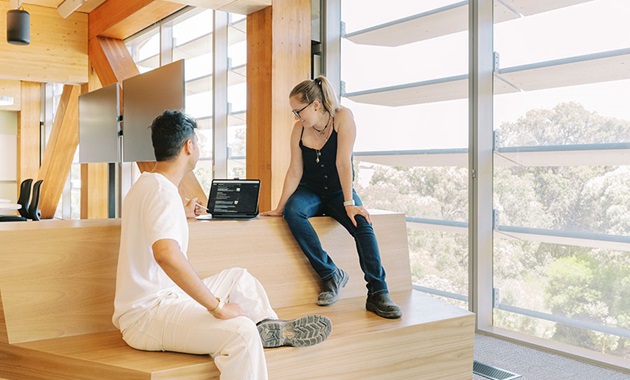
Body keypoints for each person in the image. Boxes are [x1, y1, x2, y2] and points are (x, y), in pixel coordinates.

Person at [112, 110, 332, 380]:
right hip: (148, 316)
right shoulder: (162, 193)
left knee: (238, 278)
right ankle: (254, 332)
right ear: (188, 146)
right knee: (241, 333)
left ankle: (267, 327)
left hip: (160, 300)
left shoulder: (147, 184)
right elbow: (166, 255)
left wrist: (182, 214)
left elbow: (153, 231)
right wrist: (217, 307)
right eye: (198, 142)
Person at [261, 76, 403, 319]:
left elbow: (343, 163)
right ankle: (331, 275)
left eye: (298, 111)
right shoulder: (298, 130)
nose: (297, 117)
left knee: (363, 224)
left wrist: (349, 203)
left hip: (339, 191)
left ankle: (378, 292)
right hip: (310, 191)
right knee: (293, 212)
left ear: (315, 105)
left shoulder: (343, 117)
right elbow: (295, 170)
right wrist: (280, 207)